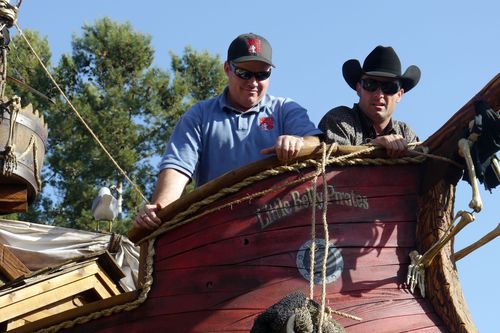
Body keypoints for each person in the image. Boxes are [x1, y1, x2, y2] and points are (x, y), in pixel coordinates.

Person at [135, 33, 321, 230]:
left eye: (262, 75)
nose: (253, 82)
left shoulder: (285, 109)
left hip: (276, 230)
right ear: (227, 69)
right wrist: (158, 212)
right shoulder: (199, 116)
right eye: (244, 73)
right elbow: (176, 172)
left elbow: (316, 143)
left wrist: (299, 143)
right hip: (215, 231)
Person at [319, 45, 421, 157]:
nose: (379, 95)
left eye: (389, 87)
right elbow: (336, 166)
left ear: (399, 95)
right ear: (359, 89)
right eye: (370, 84)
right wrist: (372, 146)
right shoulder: (338, 120)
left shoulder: (405, 132)